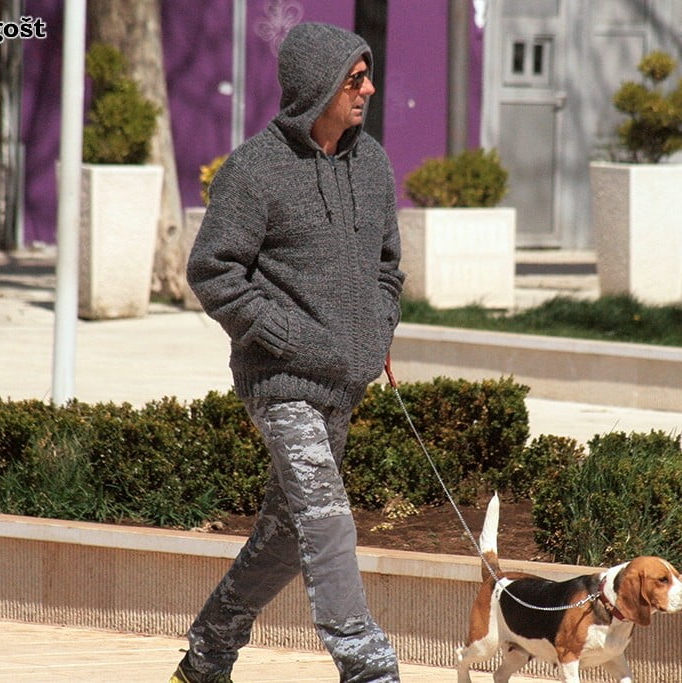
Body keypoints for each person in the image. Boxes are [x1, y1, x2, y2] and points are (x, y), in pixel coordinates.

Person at [171, 22, 404, 683]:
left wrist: (378, 327)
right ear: (318, 87)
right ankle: (367, 664)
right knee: (327, 520)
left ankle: (205, 658)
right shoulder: (255, 170)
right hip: (281, 385)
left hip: (343, 387)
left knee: (284, 537)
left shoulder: (373, 164)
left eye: (366, 77)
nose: (368, 90)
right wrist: (278, 334)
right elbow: (213, 270)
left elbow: (388, 266)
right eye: (355, 80)